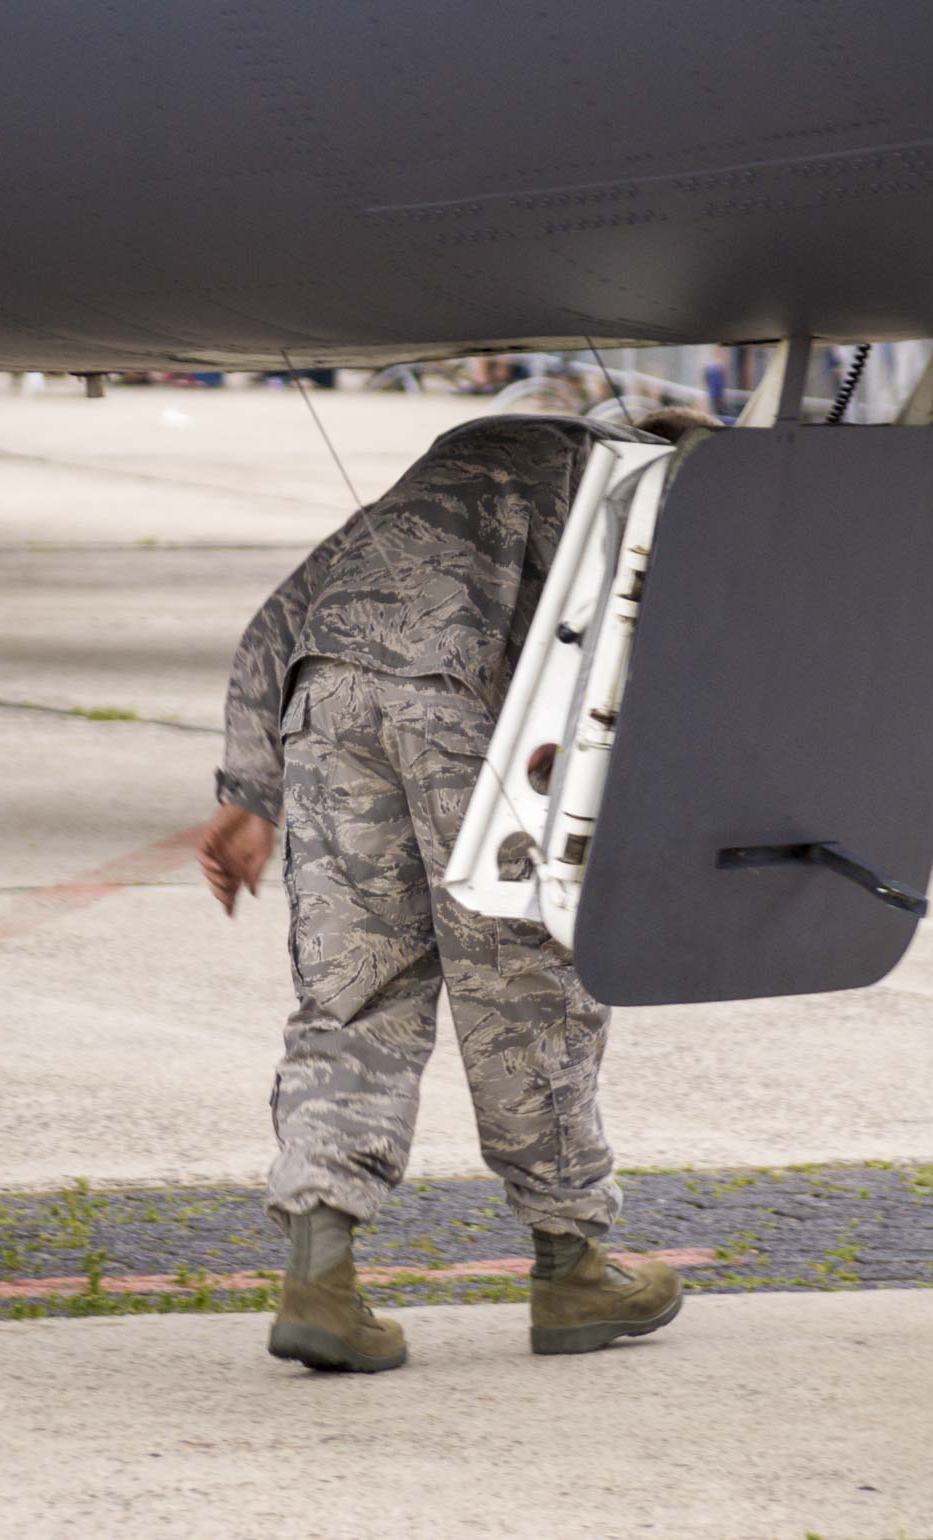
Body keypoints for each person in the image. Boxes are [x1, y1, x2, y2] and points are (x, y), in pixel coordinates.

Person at [197, 409, 712, 1372]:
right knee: (524, 987)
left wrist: (249, 793)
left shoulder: (463, 464)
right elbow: (638, 673)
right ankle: (571, 1268)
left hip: (328, 694)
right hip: (465, 704)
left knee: (354, 991)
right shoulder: (644, 491)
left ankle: (320, 1277)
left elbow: (273, 625)